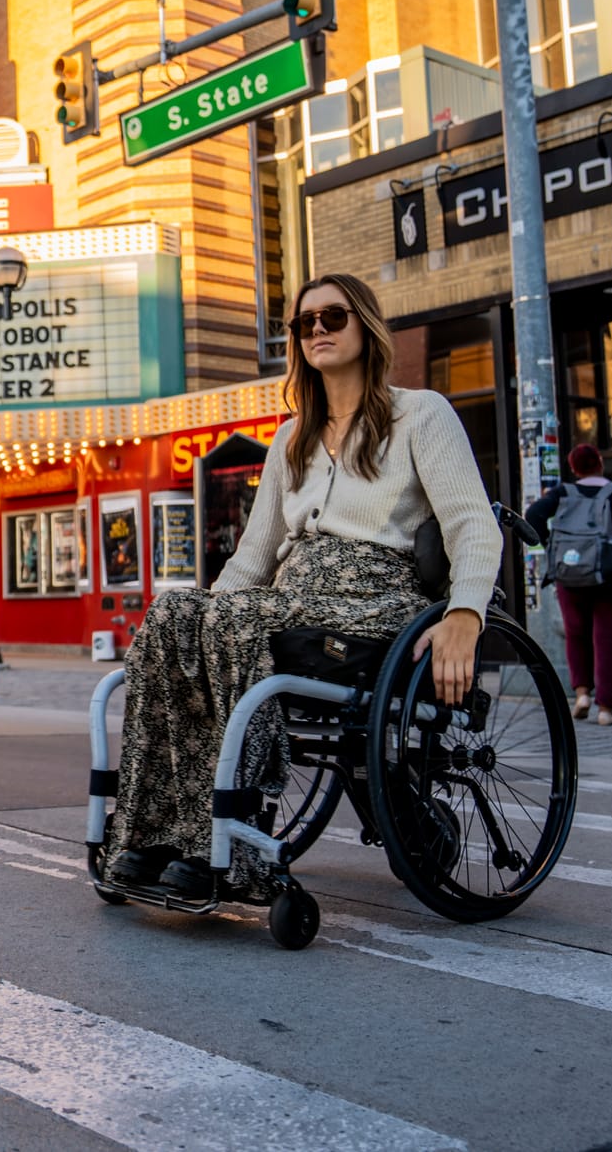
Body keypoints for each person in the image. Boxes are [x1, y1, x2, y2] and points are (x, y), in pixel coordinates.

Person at [103, 273, 501, 902]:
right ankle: (158, 832)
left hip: (376, 597)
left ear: (365, 328)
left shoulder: (421, 414)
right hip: (294, 595)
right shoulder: (290, 439)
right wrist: (199, 616)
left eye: (333, 317)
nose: (317, 330)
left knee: (233, 624)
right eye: (303, 323)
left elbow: (472, 524)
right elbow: (252, 560)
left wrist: (464, 615)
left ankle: (227, 843)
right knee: (176, 615)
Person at [526, 444, 612, 726]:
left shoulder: (562, 494)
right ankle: (606, 709)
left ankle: (582, 694)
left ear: (573, 468)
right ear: (600, 463)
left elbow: (532, 515)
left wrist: (552, 546)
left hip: (570, 575)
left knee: (576, 634)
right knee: (608, 642)